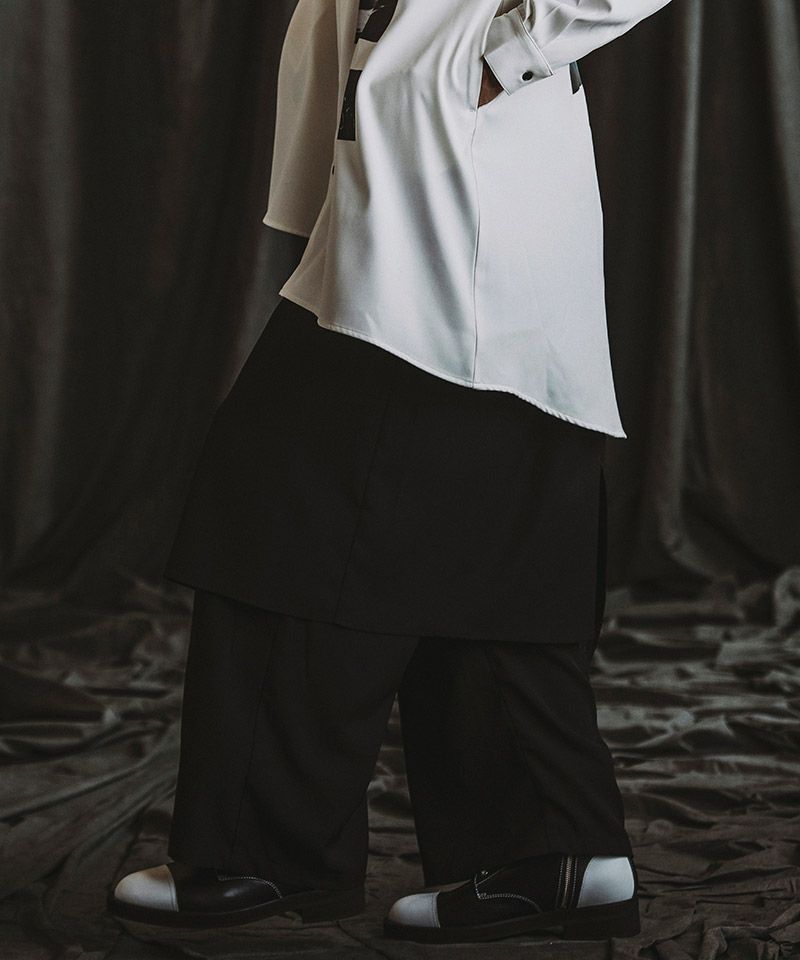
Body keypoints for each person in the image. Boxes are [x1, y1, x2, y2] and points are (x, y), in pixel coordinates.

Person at [108, 0, 673, 943]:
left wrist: (512, 50)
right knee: (486, 531)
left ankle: (262, 849)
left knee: (284, 498)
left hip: (458, 187)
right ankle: (554, 852)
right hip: (421, 172)